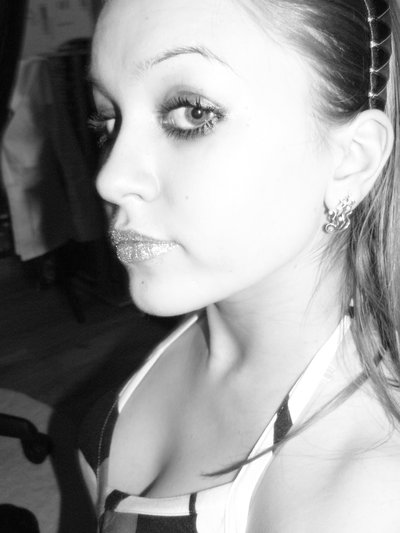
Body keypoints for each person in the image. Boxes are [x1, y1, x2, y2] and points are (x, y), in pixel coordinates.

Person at [79, 0, 400, 531]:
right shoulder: (208, 327)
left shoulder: (363, 500)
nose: (110, 179)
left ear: (352, 159)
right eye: (107, 120)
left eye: (191, 113)